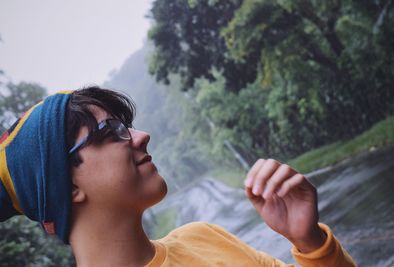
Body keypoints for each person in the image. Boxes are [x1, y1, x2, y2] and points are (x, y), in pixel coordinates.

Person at [0, 86, 356, 266]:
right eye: (110, 132)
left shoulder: (204, 237)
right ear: (68, 185)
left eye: (129, 126)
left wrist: (311, 245)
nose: (140, 137)